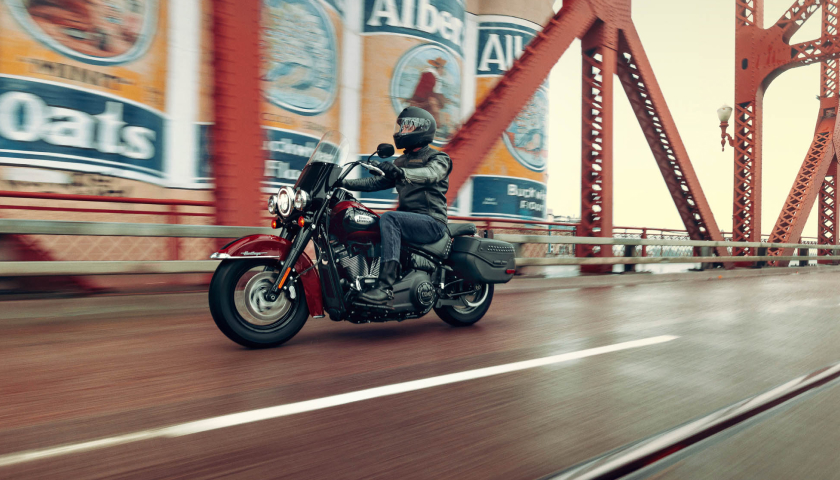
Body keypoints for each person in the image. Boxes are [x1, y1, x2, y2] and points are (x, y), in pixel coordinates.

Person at [341, 106, 452, 305]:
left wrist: (401, 173)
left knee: (389, 218)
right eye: (401, 127)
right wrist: (342, 183)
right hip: (409, 220)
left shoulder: (438, 158)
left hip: (432, 222)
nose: (401, 131)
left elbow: (430, 174)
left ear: (421, 129)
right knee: (369, 220)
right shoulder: (402, 160)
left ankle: (384, 287)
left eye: (407, 127)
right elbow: (376, 183)